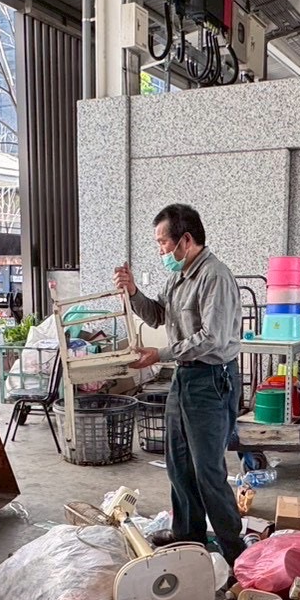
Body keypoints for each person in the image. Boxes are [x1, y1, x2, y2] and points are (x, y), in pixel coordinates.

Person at [114, 204, 246, 564]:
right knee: (178, 463)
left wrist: (160, 354)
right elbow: (159, 314)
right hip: (185, 377)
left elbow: (214, 339)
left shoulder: (214, 276)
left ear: (185, 240)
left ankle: (235, 551)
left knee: (208, 471)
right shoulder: (179, 275)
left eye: (162, 242)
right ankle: (188, 534)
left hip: (211, 380)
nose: (160, 251)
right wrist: (133, 291)